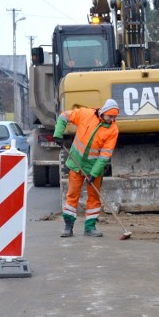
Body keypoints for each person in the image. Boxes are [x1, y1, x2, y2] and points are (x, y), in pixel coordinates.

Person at [53, 99, 120, 237]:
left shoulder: (113, 130)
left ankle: (90, 227)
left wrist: (94, 174)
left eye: (114, 117)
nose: (112, 119)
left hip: (94, 168)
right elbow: (64, 116)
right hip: (76, 163)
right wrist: (58, 134)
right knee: (72, 195)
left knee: (94, 197)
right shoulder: (85, 114)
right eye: (110, 116)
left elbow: (104, 156)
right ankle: (68, 226)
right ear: (103, 112)